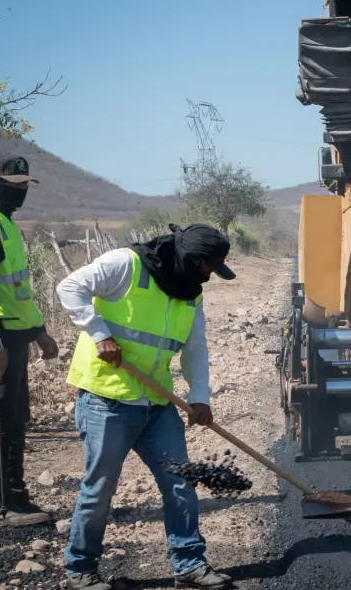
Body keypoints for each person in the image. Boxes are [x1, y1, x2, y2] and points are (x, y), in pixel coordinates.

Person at [56, 224, 237, 590]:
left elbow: (195, 346)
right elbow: (69, 287)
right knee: (100, 488)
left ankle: (188, 564)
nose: (210, 278)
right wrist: (99, 332)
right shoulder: (127, 265)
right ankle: (80, 569)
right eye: (209, 268)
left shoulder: (190, 292)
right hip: (108, 399)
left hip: (157, 403)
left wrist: (200, 395)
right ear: (192, 258)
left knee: (181, 483)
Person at [0, 155, 60, 527]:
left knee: (16, 417)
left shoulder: (4, 223)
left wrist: (39, 332)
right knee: (1, 418)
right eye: (14, 184)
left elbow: (15, 290)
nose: (20, 191)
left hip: (16, 338)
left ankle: (16, 497)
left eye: (24, 184)